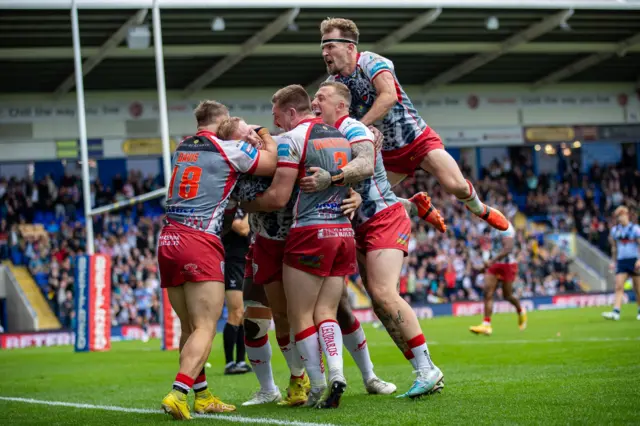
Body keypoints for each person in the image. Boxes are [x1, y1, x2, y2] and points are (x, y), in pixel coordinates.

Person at [303, 81, 443, 399]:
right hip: (359, 226)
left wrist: (334, 178)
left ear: (341, 106)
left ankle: (428, 370)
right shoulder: (322, 135)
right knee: (379, 305)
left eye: (321, 97)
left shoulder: (353, 128)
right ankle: (424, 370)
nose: (314, 101)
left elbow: (365, 165)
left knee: (383, 293)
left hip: (383, 218)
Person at [318, 18, 509, 232]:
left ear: (350, 47)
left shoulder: (371, 62)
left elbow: (388, 96)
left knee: (457, 186)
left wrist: (361, 127)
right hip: (386, 156)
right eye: (323, 46)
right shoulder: (331, 86)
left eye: (330, 45)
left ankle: (480, 209)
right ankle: (415, 207)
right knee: (360, 199)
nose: (325, 52)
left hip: (417, 140)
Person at [157, 100, 277, 420]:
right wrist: (258, 132)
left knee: (190, 326)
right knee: (206, 327)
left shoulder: (183, 147)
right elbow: (271, 163)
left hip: (168, 239)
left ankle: (202, 394)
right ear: (222, 121)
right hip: (199, 240)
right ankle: (178, 393)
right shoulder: (226, 149)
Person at [245, 85, 356, 408]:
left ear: (291, 113)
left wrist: (245, 204)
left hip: (305, 233)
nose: (275, 124)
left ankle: (316, 384)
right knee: (324, 311)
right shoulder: (339, 135)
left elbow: (279, 197)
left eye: (277, 117)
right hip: (341, 231)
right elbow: (354, 176)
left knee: (298, 314)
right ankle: (336, 374)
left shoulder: (292, 139)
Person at [469, 222, 527, 336]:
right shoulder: (490, 229)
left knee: (507, 295)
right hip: (495, 264)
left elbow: (508, 249)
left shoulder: (506, 227)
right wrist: (486, 263)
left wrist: (492, 260)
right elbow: (493, 248)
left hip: (508, 265)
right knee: (487, 292)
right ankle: (486, 325)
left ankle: (521, 310)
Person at [221, 205, 252, 375]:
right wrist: (253, 209)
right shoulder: (227, 208)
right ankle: (229, 362)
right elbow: (243, 228)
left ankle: (240, 361)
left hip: (245, 261)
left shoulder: (241, 207)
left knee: (243, 315)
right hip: (232, 262)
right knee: (236, 312)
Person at [602, 206, 640, 321]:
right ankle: (616, 312)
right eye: (618, 216)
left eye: (621, 215)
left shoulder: (635, 229)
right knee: (618, 286)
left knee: (637, 288)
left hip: (634, 260)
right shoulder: (615, 231)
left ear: (627, 215)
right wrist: (613, 261)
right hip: (622, 261)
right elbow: (614, 247)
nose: (620, 218)